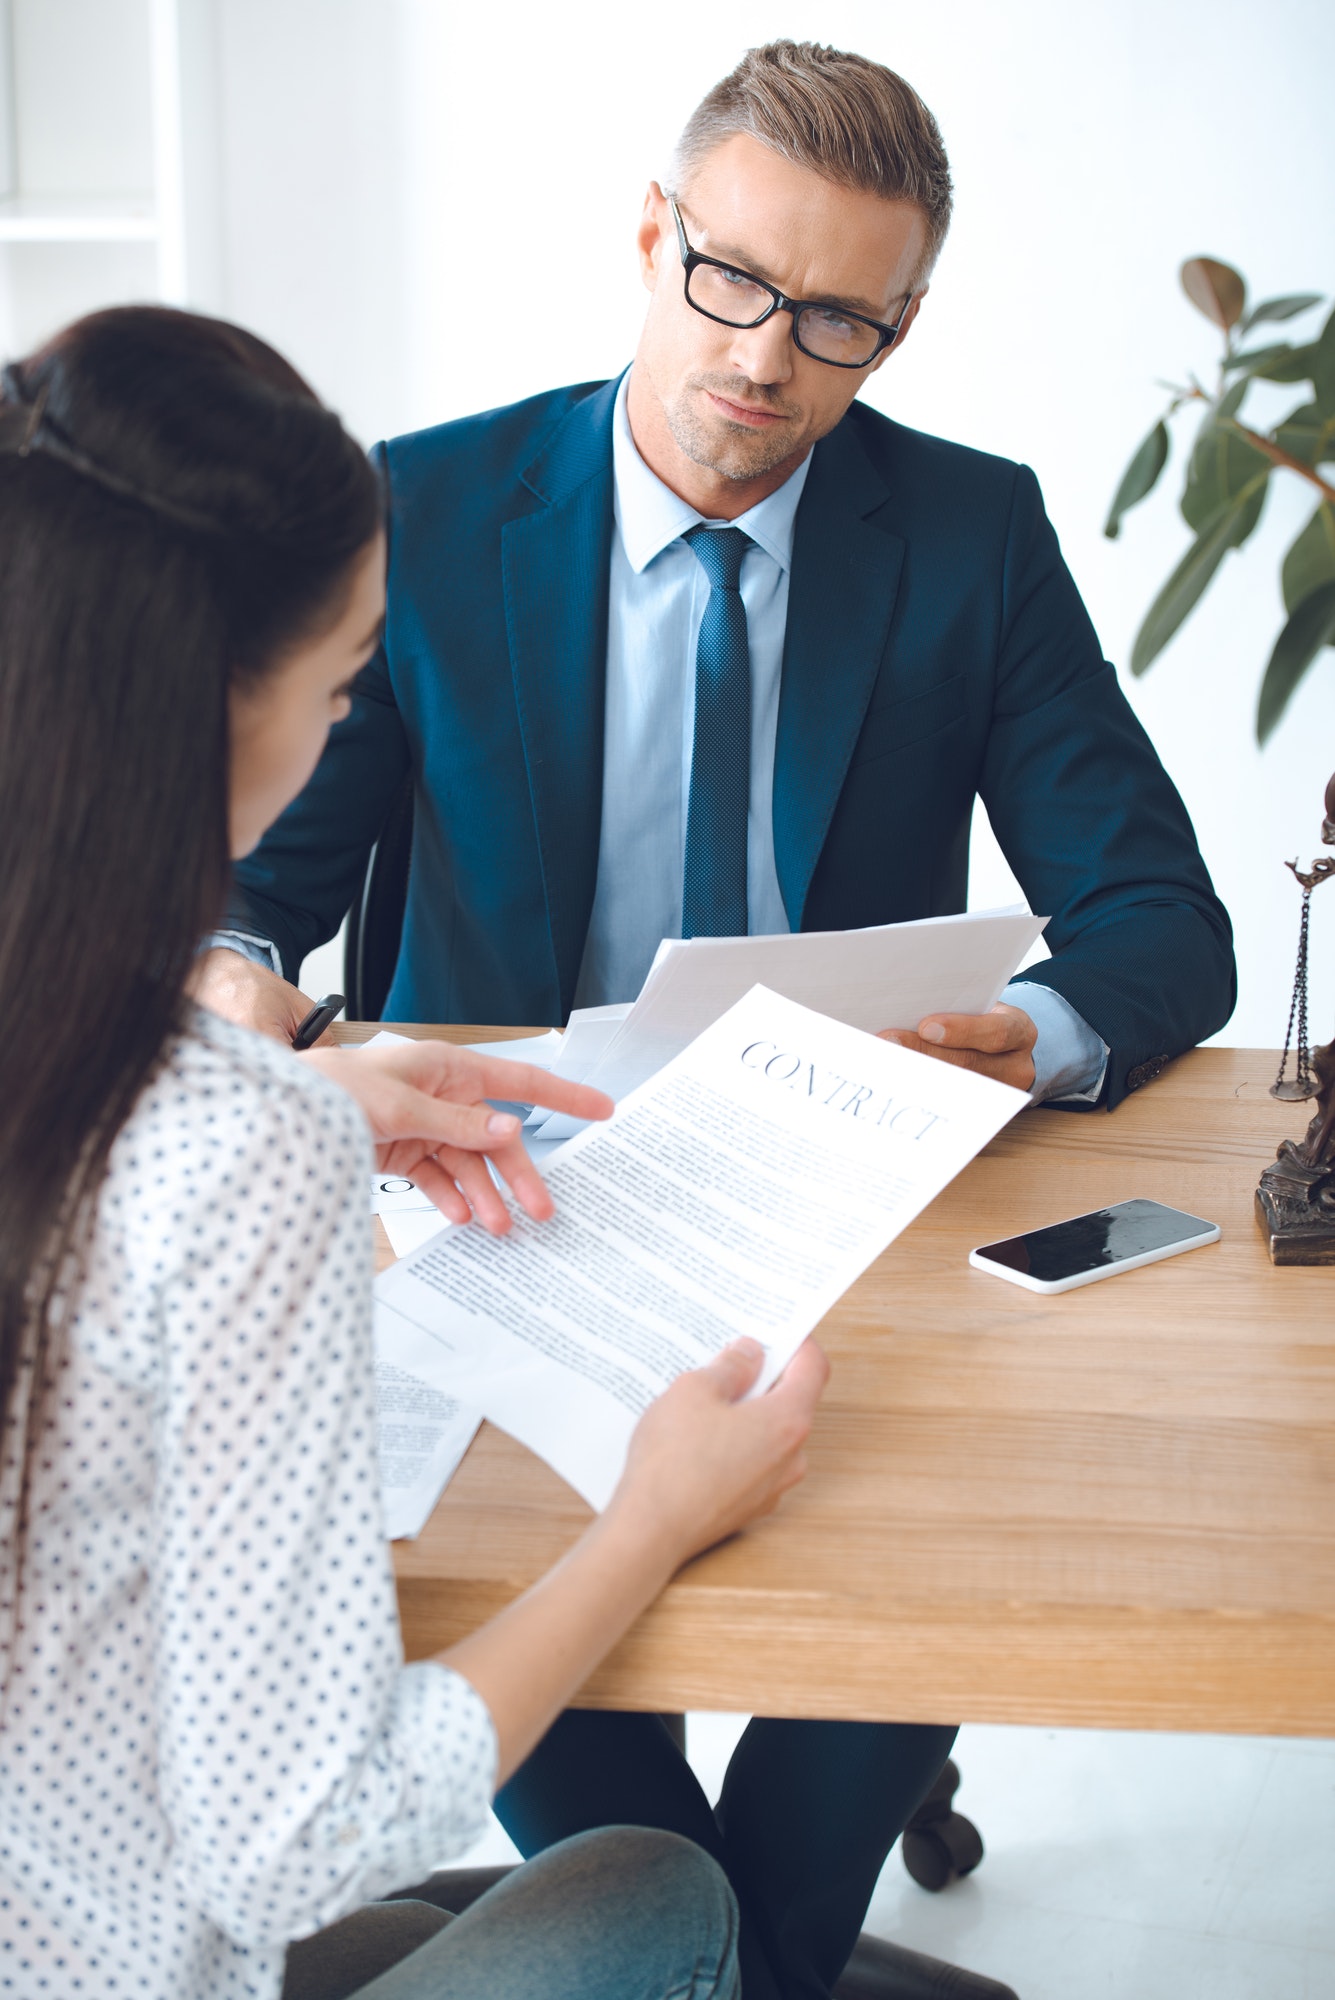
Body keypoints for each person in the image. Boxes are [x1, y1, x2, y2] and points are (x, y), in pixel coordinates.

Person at [199, 38, 1237, 2000]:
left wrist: (1022, 1026)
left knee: (930, 1540)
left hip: (831, 1214)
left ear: (895, 328)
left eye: (832, 317)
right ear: (654, 237)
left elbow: (1157, 919)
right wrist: (236, 1002)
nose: (763, 359)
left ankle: (693, 1947)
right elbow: (268, 881)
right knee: (544, 1613)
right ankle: (727, 1946)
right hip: (496, 1193)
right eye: (731, 281)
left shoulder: (965, 536)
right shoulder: (422, 511)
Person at [0, 305, 830, 2000]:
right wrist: (649, 1523)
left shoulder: (144, 1097)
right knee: (658, 1897)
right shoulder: (228, 1154)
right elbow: (305, 1835)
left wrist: (309, 1089)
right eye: (342, 682)